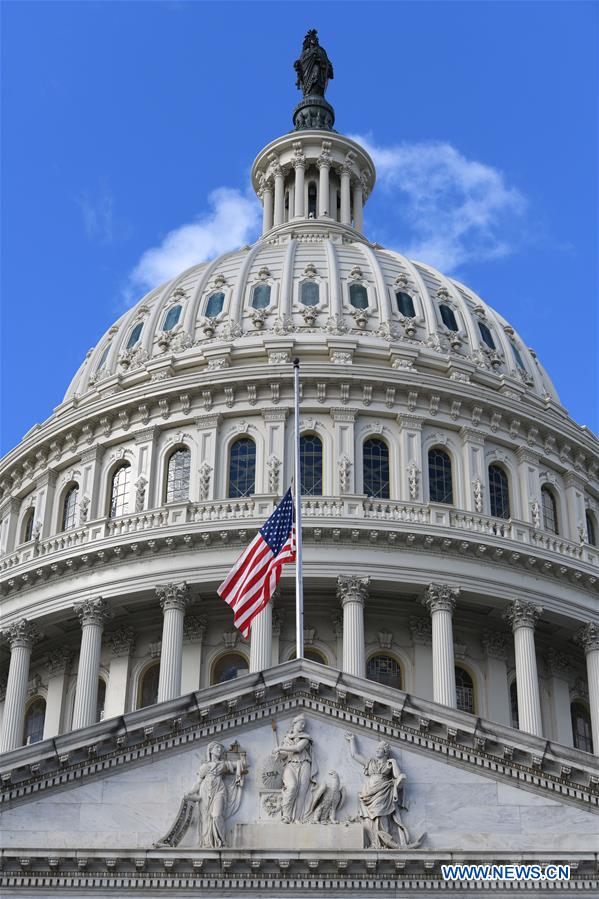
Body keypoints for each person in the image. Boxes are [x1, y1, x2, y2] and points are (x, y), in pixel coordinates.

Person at [346, 734, 418, 849]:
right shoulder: (371, 763)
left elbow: (398, 776)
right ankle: (374, 843)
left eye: (379, 749)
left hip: (383, 792)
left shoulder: (389, 764)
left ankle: (384, 843)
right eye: (376, 749)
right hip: (368, 794)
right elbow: (355, 755)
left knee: (381, 817)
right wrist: (352, 741)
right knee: (368, 820)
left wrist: (394, 762)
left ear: (385, 752)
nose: (377, 751)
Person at [184, 741, 244, 848]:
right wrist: (190, 792)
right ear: (210, 750)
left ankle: (221, 841)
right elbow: (198, 782)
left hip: (219, 790)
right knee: (206, 817)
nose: (219, 750)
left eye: (220, 749)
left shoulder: (223, 764)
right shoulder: (205, 767)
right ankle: (208, 842)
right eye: (217, 748)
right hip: (205, 791)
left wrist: (241, 759)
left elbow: (240, 764)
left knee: (216, 815)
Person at [272, 714, 316, 822]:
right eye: (301, 723)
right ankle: (286, 816)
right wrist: (279, 754)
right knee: (291, 787)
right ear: (294, 724)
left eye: (304, 724)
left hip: (304, 764)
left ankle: (297, 818)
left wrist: (280, 748)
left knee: (302, 792)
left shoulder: (305, 737)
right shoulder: (287, 739)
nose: (302, 726)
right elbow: (284, 755)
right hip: (290, 764)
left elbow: (298, 748)